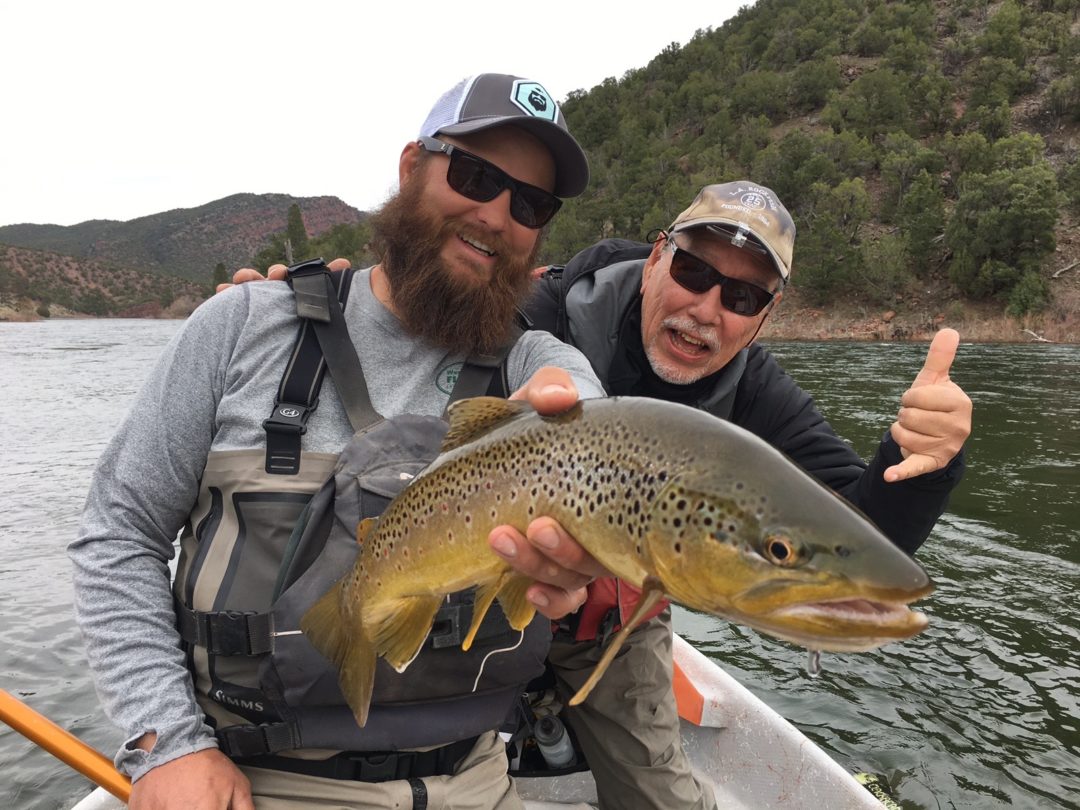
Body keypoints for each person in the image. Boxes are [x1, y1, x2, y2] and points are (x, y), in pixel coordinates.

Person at [240, 181, 972, 810]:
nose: (707, 308)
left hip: (612, 619)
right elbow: (406, 317)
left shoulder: (758, 391)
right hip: (481, 585)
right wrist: (297, 310)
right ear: (656, 258)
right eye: (693, 270)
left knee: (661, 792)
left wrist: (923, 461)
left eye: (743, 294)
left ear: (763, 318)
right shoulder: (542, 309)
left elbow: (859, 535)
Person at [68, 72, 611, 810]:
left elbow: (582, 403)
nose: (496, 215)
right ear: (411, 166)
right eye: (476, 175)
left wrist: (588, 438)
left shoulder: (533, 363)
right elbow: (118, 532)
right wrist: (166, 743)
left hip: (482, 782)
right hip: (261, 782)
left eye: (531, 204)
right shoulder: (240, 328)